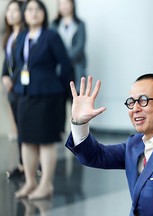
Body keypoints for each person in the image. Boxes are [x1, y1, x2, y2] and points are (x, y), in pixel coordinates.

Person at [65, 74, 153, 215]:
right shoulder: (136, 143)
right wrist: (79, 123)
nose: (135, 108)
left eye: (143, 100)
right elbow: (95, 156)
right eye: (131, 102)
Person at [13, 0, 73, 200]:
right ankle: (31, 182)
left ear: (44, 13)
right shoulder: (21, 37)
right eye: (29, 9)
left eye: (38, 9)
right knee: (26, 140)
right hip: (25, 96)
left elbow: (65, 65)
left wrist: (68, 93)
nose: (34, 13)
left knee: (46, 141)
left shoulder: (51, 36)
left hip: (48, 96)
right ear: (24, 14)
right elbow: (17, 64)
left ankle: (46, 185)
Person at [51, 0, 86, 134]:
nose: (64, 6)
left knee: (75, 102)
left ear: (72, 5)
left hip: (75, 68)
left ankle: (76, 134)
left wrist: (64, 59)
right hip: (58, 71)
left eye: (67, 3)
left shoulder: (80, 24)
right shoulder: (53, 25)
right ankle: (60, 132)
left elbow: (80, 46)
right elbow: (51, 46)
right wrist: (61, 60)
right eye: (62, 4)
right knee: (59, 103)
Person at [1, 0, 24, 179]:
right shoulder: (8, 36)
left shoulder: (24, 34)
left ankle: (27, 164)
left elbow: (24, 62)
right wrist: (4, 77)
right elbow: (7, 62)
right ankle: (21, 163)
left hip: (21, 86)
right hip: (12, 88)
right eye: (9, 11)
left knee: (25, 126)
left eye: (15, 10)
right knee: (18, 125)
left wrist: (12, 79)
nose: (11, 14)